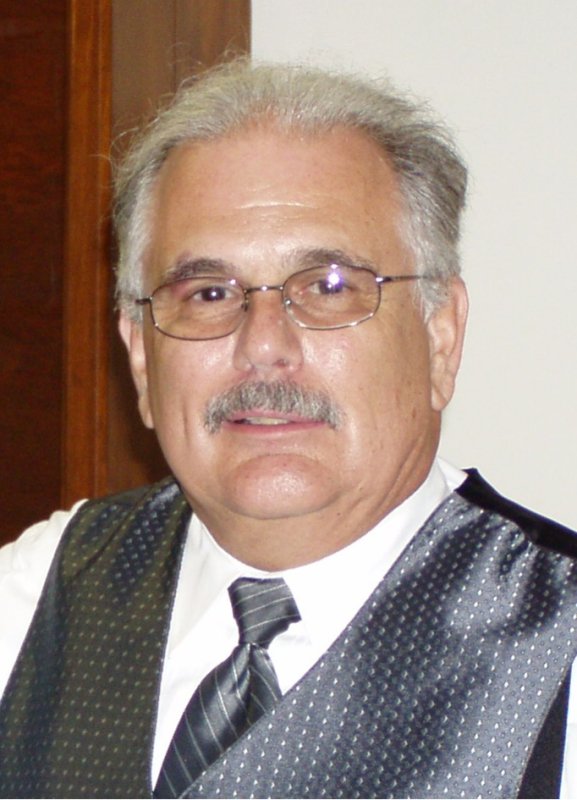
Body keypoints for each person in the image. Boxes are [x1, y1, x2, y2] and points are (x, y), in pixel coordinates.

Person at [0, 59, 576, 800]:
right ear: (140, 356)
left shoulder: (555, 645)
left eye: (328, 287)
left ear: (440, 337)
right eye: (208, 293)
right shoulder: (37, 598)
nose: (263, 345)